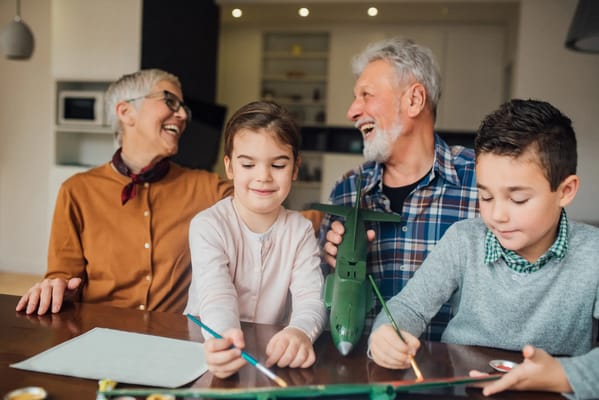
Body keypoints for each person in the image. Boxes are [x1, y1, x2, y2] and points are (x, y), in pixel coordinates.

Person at [368, 99, 599, 399]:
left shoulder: (593, 253)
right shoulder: (464, 240)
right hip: (464, 389)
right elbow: (409, 306)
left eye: (518, 200)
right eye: (486, 197)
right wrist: (386, 333)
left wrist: (562, 375)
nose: (497, 215)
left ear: (565, 191)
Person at [16, 69, 233, 315]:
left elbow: (260, 200)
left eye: (184, 108)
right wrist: (56, 288)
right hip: (97, 335)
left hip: (172, 340)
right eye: (170, 102)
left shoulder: (208, 188)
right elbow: (63, 275)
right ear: (126, 112)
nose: (182, 115)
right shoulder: (76, 191)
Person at [320, 37, 478, 340]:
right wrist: (331, 263)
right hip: (359, 373)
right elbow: (319, 298)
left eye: (366, 95)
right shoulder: (347, 190)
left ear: (414, 100)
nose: (352, 111)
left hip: (450, 378)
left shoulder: (481, 184)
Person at [184, 101, 327, 379]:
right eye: (248, 164)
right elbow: (216, 295)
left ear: (295, 169)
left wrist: (300, 331)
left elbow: (311, 299)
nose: (263, 176)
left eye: (278, 164)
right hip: (207, 347)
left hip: (270, 355)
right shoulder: (208, 225)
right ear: (230, 167)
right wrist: (224, 337)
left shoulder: (300, 230)